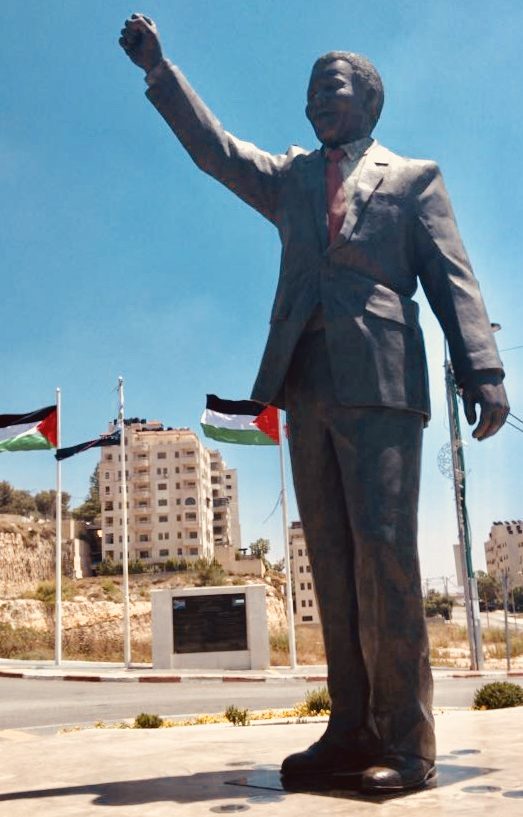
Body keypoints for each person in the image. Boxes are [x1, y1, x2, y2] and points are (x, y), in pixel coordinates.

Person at [119, 13, 509, 793]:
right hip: (306, 378)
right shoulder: (292, 177)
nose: (315, 100)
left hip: (383, 381)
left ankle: (406, 742)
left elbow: (451, 277)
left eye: (330, 87)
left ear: (369, 99)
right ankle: (351, 726)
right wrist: (161, 73)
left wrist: (482, 368)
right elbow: (217, 152)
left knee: (384, 557)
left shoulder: (413, 179)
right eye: (309, 92)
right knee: (330, 560)